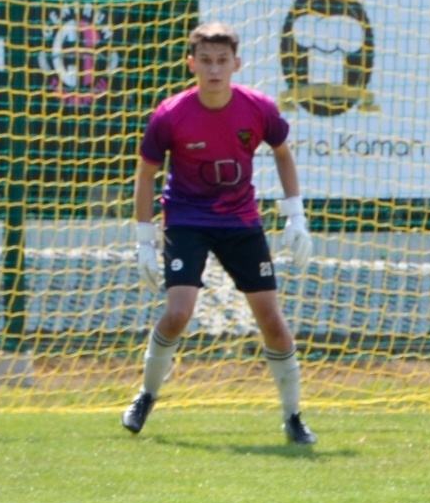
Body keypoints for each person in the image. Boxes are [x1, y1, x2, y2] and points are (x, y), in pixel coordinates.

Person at [122, 22, 317, 445]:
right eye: (206, 61)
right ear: (191, 64)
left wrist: (295, 216)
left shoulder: (258, 108)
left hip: (241, 221)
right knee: (178, 313)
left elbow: (283, 153)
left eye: (222, 61)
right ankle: (147, 395)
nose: (214, 70)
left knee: (272, 322)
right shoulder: (170, 113)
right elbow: (146, 174)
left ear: (237, 64)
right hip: (187, 219)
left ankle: (293, 417)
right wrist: (143, 241)